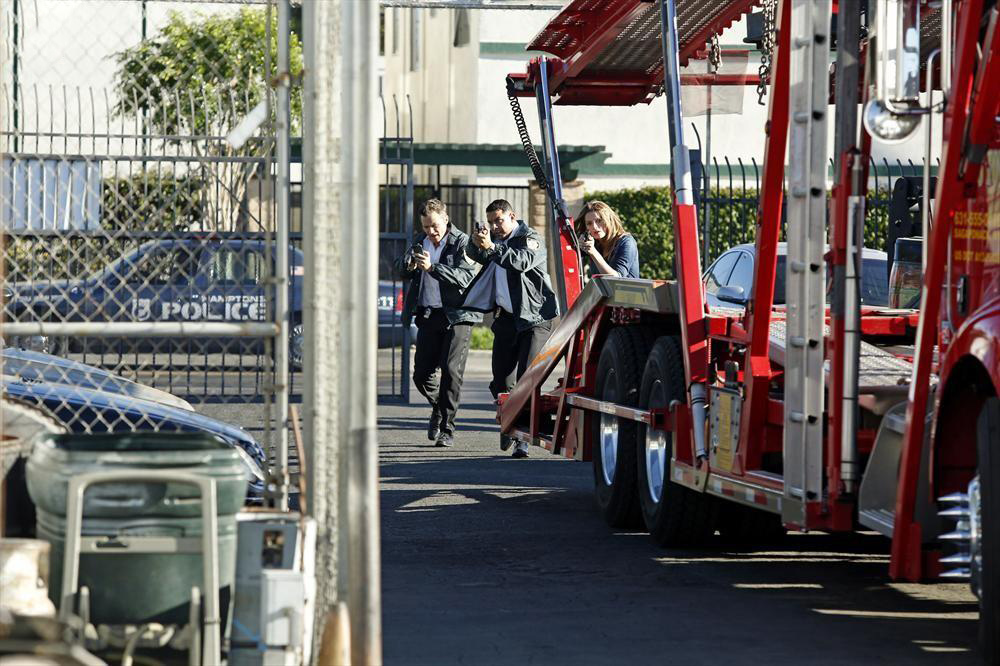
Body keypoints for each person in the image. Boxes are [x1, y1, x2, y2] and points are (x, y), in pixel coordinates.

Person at [464, 199, 558, 458]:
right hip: (506, 318)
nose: (495, 226)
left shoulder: (530, 238)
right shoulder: (496, 240)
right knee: (501, 381)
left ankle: (521, 439)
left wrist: (492, 247)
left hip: (535, 318)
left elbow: (521, 262)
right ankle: (508, 421)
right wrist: (477, 241)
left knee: (527, 380)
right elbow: (476, 255)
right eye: (491, 222)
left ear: (512, 216)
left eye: (499, 221)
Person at [396, 198, 482, 447]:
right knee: (421, 374)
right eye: (425, 227)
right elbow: (401, 269)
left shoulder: (462, 242)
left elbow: (464, 277)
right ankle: (438, 407)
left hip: (457, 315)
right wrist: (409, 264)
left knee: (451, 371)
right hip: (429, 314)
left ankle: (447, 429)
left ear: (445, 219)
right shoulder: (419, 241)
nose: (430, 232)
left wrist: (433, 267)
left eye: (434, 226)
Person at [577, 200, 640, 278]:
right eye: (589, 223)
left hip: (627, 290)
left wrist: (593, 251)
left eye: (599, 221)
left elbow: (616, 278)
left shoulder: (626, 242)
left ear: (609, 220)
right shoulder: (594, 242)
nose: (594, 227)